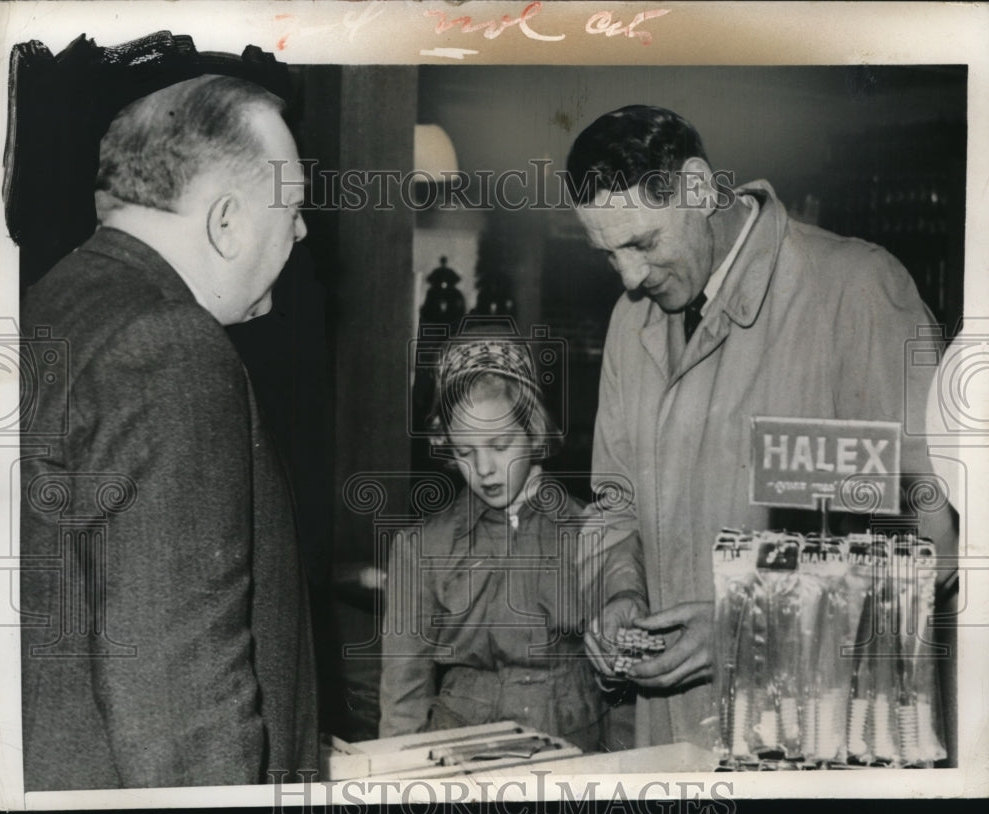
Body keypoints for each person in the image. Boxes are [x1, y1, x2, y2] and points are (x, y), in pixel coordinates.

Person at [563, 105, 958, 751]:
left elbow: (926, 545)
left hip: (822, 739)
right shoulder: (628, 324)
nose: (630, 278)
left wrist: (743, 627)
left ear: (696, 186)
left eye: (642, 243)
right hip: (675, 739)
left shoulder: (851, 292)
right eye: (608, 255)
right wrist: (617, 597)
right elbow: (616, 504)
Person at [20, 74, 316, 789]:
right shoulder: (172, 348)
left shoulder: (49, 304)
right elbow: (182, 698)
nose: (302, 232)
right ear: (227, 222)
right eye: (294, 208)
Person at [379, 338, 603, 750]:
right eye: (465, 451)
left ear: (534, 434)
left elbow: (624, 694)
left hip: (573, 756)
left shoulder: (593, 532)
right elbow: (403, 697)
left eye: (499, 446)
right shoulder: (420, 547)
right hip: (462, 754)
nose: (483, 469)